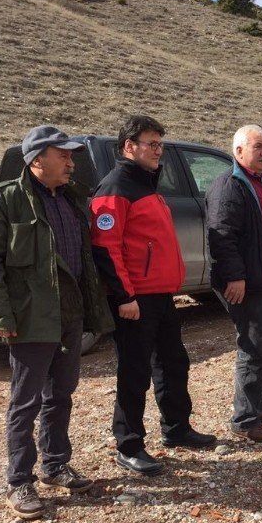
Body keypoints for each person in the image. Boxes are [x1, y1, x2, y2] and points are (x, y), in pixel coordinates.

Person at [0, 125, 114, 519]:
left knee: (61, 393)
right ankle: (18, 481)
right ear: (37, 160)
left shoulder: (72, 199)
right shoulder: (5, 201)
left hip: (70, 314)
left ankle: (55, 465)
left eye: (71, 155)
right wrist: (0, 315)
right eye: (63, 155)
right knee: (25, 401)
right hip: (30, 318)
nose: (71, 162)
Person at [90, 115, 216, 476]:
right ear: (129, 147)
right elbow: (106, 248)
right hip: (136, 300)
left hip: (161, 295)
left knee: (173, 364)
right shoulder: (116, 188)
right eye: (152, 144)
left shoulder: (146, 184)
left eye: (160, 144)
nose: (159, 150)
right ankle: (128, 444)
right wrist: (124, 296)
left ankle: (176, 429)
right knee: (134, 372)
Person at [206, 125, 262, 442]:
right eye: (257, 146)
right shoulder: (230, 185)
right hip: (256, 282)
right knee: (255, 348)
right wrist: (235, 276)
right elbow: (221, 235)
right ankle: (245, 419)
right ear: (238, 151)